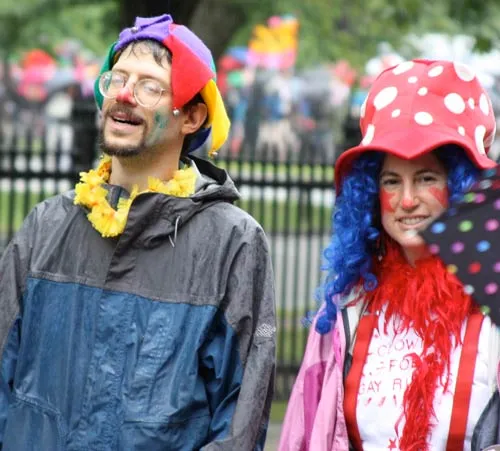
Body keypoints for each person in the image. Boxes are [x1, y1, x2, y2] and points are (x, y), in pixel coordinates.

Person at [0, 14, 276, 450]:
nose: (124, 95)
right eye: (118, 79)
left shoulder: (232, 243)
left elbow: (239, 421)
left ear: (192, 116)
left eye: (150, 86)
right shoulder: (45, 225)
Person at [279, 59, 500, 450]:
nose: (407, 200)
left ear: (463, 187)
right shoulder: (348, 308)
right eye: (391, 181)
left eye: (427, 178)